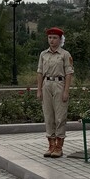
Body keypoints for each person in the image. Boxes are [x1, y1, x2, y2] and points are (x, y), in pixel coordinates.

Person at [37, 27, 74, 158]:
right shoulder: (43, 54)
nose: (51, 40)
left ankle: (59, 146)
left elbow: (69, 73)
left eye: (54, 38)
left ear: (60, 39)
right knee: (48, 116)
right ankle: (51, 145)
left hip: (59, 83)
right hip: (47, 84)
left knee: (60, 116)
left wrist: (66, 91)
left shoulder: (65, 54)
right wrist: (39, 89)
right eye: (50, 37)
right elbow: (40, 72)